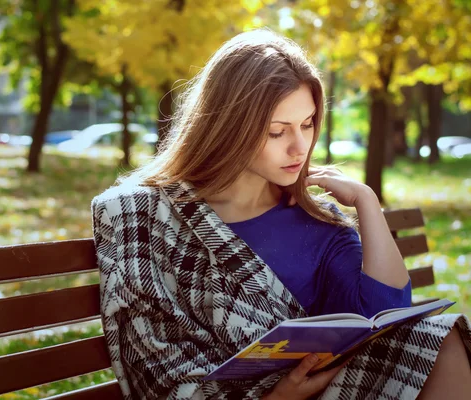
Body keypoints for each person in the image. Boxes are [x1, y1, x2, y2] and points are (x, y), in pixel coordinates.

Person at [91, 29, 471, 399]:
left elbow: (387, 322)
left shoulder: (315, 220)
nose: (299, 147)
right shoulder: (145, 218)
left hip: (330, 388)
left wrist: (368, 203)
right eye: (277, 131)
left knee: (439, 336)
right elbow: (156, 370)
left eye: (307, 124)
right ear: (228, 126)